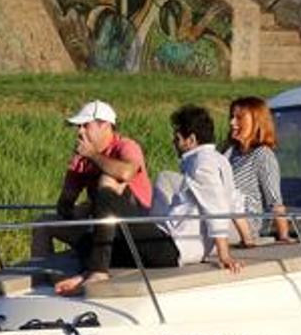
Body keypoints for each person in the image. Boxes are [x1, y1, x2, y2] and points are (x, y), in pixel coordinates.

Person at [54, 104, 242, 295]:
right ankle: (89, 272)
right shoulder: (219, 160)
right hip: (172, 246)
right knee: (90, 244)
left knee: (108, 189)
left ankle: (98, 272)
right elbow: (233, 201)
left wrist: (223, 254)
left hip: (174, 247)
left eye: (177, 138)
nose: (173, 142)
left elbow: (216, 205)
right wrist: (247, 238)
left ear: (191, 140)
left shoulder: (203, 163)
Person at [40, 101, 169, 296]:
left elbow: (125, 172)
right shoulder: (83, 159)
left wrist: (92, 155)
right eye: (78, 127)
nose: (80, 132)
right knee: (43, 223)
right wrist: (75, 175)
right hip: (102, 233)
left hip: (135, 230)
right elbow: (64, 205)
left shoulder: (126, 146)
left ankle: (98, 270)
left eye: (86, 126)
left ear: (105, 126)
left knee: (108, 179)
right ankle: (39, 283)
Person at [224, 96, 291, 244]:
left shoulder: (262, 155)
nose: (232, 123)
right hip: (221, 216)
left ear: (256, 121)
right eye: (232, 117)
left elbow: (274, 200)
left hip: (245, 225)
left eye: (239, 118)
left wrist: (284, 237)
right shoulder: (228, 153)